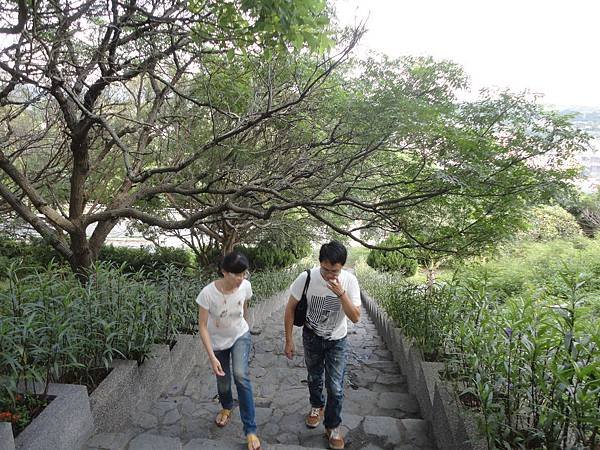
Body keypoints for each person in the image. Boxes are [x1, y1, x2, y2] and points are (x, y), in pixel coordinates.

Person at [284, 241, 361, 450]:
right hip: (311, 337)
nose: (329, 275)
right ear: (319, 263)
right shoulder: (306, 277)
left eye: (334, 270)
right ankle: (317, 406)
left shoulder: (350, 281)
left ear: (342, 266)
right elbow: (290, 308)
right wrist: (289, 340)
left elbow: (355, 317)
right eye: (325, 269)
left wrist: (341, 294)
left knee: (335, 387)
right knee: (314, 377)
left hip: (337, 340)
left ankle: (333, 426)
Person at [197, 251, 261, 450]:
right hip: (217, 344)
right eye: (237, 274)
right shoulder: (207, 294)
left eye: (244, 273)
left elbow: (244, 308)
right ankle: (226, 407)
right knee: (223, 382)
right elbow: (202, 326)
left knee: (241, 375)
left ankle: (250, 430)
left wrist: (246, 328)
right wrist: (211, 357)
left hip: (240, 335)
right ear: (224, 272)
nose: (241, 279)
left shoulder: (245, 286)